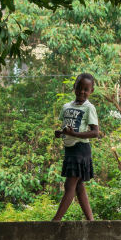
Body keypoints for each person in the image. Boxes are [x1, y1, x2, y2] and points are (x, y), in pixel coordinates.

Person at [52, 73, 99, 221]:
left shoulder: (89, 108)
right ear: (74, 87)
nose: (82, 92)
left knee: (69, 185)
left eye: (86, 89)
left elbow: (95, 133)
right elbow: (67, 128)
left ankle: (55, 221)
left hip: (81, 150)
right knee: (79, 187)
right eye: (79, 88)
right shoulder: (66, 107)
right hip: (70, 150)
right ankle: (91, 221)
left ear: (91, 91)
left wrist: (76, 135)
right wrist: (61, 133)